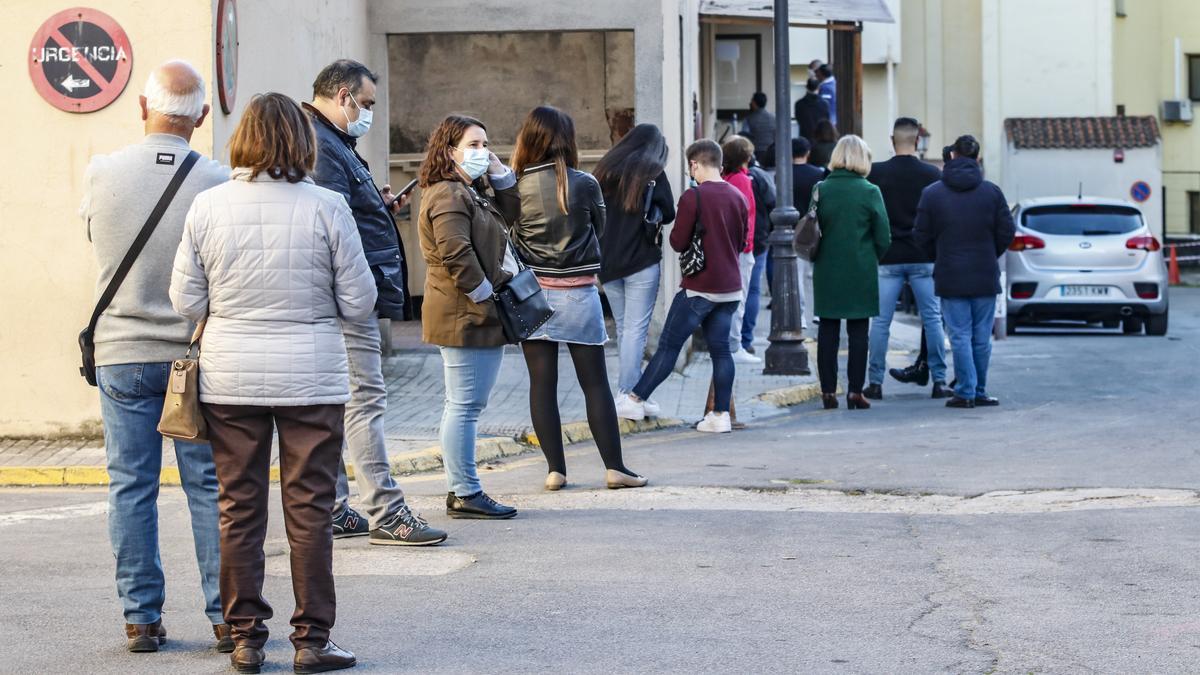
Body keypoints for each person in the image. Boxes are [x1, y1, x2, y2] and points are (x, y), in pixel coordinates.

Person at [171, 92, 372, 674]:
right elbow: (359, 302)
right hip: (312, 379)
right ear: (302, 142)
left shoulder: (208, 206)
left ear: (243, 140)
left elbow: (185, 299)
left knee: (238, 506)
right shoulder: (328, 206)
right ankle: (312, 640)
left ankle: (246, 639)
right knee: (310, 507)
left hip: (230, 380)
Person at [79, 60, 232, 656]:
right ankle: (225, 618)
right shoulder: (220, 181)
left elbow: (99, 246)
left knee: (130, 486)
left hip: (120, 352)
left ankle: (141, 619)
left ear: (143, 108)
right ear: (199, 116)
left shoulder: (100, 173)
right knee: (208, 487)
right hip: (191, 358)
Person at [302, 60, 445, 546]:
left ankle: (335, 508)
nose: (368, 114)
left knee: (344, 403)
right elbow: (331, 228)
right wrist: (356, 297)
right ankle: (387, 512)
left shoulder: (332, 141)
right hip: (346, 301)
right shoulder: (323, 145)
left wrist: (377, 207)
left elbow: (342, 216)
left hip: (344, 296)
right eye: (365, 104)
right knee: (365, 400)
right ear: (342, 96)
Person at [510, 106, 648, 491]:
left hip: (532, 296)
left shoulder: (514, 185)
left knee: (542, 384)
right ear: (567, 140)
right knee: (595, 384)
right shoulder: (585, 183)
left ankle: (555, 471)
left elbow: (510, 239)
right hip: (579, 293)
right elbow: (598, 230)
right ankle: (615, 468)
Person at [417, 114, 522, 518]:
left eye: (485, 143)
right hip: (465, 313)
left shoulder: (469, 190)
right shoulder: (448, 194)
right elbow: (455, 252)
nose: (483, 152)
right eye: (474, 145)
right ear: (450, 151)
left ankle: (463, 489)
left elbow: (510, 219)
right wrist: (486, 297)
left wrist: (502, 175)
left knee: (465, 404)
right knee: (464, 406)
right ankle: (464, 491)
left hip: (473, 310)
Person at [615, 140, 748, 433]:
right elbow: (742, 242)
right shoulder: (738, 196)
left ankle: (635, 399)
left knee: (668, 346)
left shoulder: (694, 197)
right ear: (720, 164)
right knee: (721, 352)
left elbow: (677, 241)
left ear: (694, 164)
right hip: (730, 287)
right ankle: (720, 416)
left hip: (699, 287)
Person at [914, 135, 1015, 408]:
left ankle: (966, 392)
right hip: (984, 272)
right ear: (977, 158)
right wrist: (989, 253)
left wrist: (940, 255)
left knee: (959, 335)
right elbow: (1007, 231)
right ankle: (979, 390)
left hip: (950, 273)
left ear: (952, 156)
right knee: (982, 337)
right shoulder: (992, 193)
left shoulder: (932, 193)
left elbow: (921, 235)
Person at [863, 118, 949, 400]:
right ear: (917, 141)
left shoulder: (875, 174)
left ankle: (875, 382)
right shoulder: (932, 175)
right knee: (933, 319)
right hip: (923, 256)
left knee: (880, 322)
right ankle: (939, 380)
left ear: (892, 140)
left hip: (888, 256)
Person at [593, 124, 676, 409]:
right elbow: (669, 213)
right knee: (635, 330)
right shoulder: (652, 171)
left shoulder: (604, 170)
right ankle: (628, 394)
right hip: (641, 260)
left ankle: (629, 393)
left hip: (608, 263)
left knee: (625, 329)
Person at [811, 135, 891, 410]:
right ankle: (855, 391)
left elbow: (812, 228)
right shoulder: (870, 191)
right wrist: (870, 257)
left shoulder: (821, 189)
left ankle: (828, 392)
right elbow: (884, 236)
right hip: (860, 269)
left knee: (828, 331)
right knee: (859, 333)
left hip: (827, 268)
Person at [719, 136, 759, 366]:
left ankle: (731, 345)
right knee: (739, 298)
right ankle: (735, 346)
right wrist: (745, 244)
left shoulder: (729, 178)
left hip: (735, 246)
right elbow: (745, 216)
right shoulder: (741, 181)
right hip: (742, 248)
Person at [741, 158, 776, 354]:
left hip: (736, 241)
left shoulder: (726, 176)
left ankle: (736, 339)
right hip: (758, 239)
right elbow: (773, 202)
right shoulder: (760, 177)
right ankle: (746, 340)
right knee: (752, 289)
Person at [739, 92, 777, 167]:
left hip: (755, 154)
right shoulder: (773, 118)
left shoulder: (749, 119)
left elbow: (745, 138)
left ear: (754, 103)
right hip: (772, 153)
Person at [794, 77, 832, 144]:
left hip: (805, 139)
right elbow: (827, 121)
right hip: (820, 139)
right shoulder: (824, 104)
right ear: (818, 87)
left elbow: (798, 119)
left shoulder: (799, 104)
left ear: (806, 87)